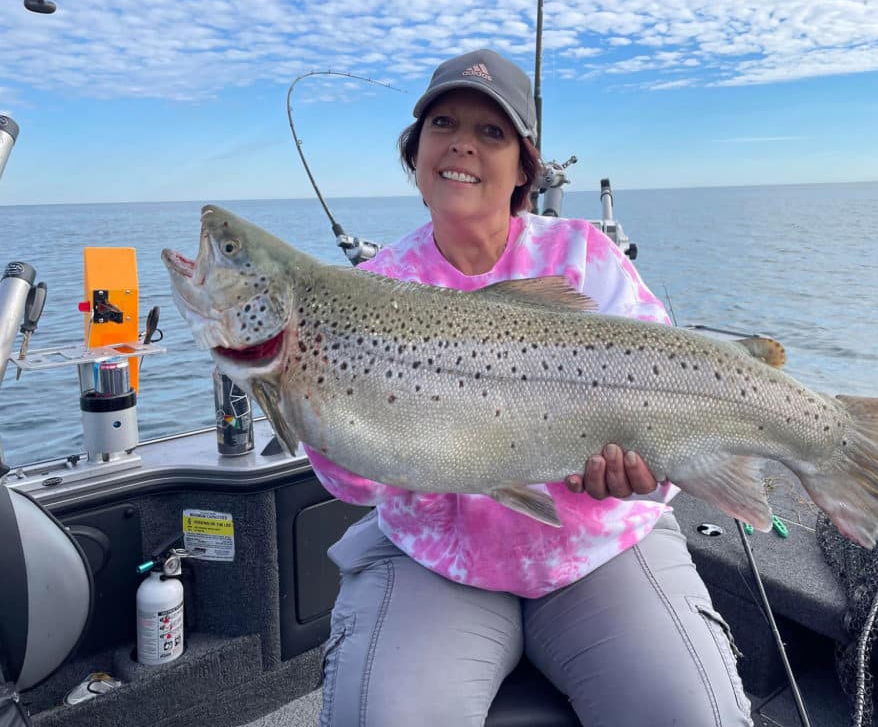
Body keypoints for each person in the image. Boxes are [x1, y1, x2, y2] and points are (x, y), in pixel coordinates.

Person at [310, 48, 753, 727]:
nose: (462, 143)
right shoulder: (375, 289)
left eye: (492, 133)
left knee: (695, 715)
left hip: (598, 549)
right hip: (436, 560)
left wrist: (646, 476)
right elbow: (355, 485)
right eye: (443, 124)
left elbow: (668, 400)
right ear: (415, 154)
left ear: (524, 168)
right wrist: (294, 382)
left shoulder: (586, 258)